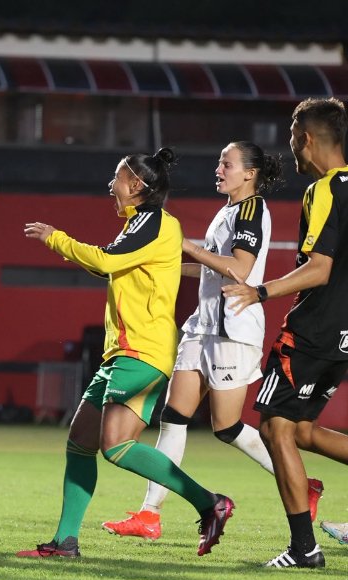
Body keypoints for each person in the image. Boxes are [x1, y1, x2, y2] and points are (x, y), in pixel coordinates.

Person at [102, 141, 326, 539]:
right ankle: (149, 515)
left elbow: (239, 269)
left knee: (225, 426)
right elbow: (209, 270)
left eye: (227, 163)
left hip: (233, 329)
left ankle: (303, 484)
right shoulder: (227, 211)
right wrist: (165, 263)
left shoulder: (253, 209)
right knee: (173, 417)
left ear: (249, 173)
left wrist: (183, 245)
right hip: (201, 327)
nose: (218, 169)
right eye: (219, 161)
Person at [19, 148, 234, 559]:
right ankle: (65, 542)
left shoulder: (156, 223)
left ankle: (210, 502)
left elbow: (104, 263)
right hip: (121, 353)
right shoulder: (139, 223)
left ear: (136, 185)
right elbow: (111, 264)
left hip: (143, 352)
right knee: (80, 441)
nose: (110, 185)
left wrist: (56, 239)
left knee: (114, 445)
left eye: (116, 178)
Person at [224, 97, 348, 569]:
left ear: (308, 139)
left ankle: (303, 549)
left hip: (314, 331)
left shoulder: (324, 191)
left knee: (275, 427)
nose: (290, 148)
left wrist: (262, 291)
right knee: (301, 431)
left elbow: (318, 269)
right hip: (344, 336)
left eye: (294, 138)